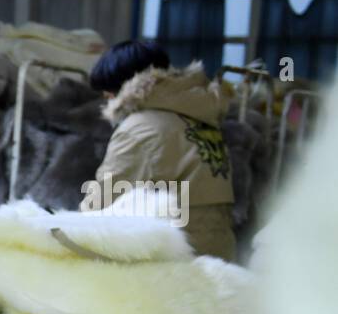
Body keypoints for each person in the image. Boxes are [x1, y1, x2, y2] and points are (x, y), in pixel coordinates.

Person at [85, 40, 236, 261]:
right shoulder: (200, 118)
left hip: (177, 258)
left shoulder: (139, 129)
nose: (105, 98)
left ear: (122, 86)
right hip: (219, 252)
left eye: (107, 92)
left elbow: (101, 203)